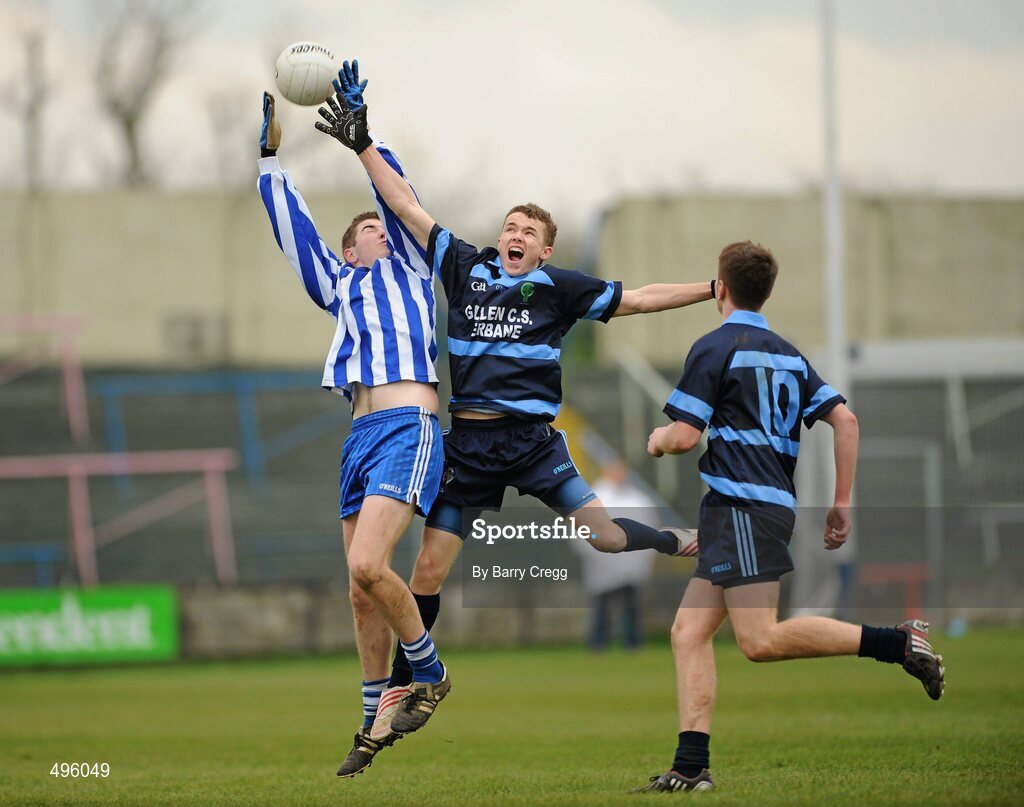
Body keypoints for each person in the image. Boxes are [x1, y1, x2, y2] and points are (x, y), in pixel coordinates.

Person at [316, 60, 707, 736]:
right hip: (466, 444)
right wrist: (361, 143)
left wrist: (708, 289)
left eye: (530, 229)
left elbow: (640, 298)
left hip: (530, 443)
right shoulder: (464, 266)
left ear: (546, 249)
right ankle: (408, 689)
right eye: (511, 224)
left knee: (607, 536)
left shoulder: (561, 289)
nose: (516, 233)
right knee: (426, 572)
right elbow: (406, 207)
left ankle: (681, 540)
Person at [636, 241, 945, 793]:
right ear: (766, 291)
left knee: (760, 640)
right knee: (688, 632)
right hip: (749, 509)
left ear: (721, 288)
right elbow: (845, 421)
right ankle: (689, 769)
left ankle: (900, 644)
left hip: (743, 510)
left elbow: (684, 436)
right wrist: (841, 502)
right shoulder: (787, 353)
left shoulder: (715, 346)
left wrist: (657, 441)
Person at [257, 89, 451, 780]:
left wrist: (365, 142)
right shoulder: (340, 286)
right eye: (366, 229)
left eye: (383, 225)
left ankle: (428, 672)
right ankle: (373, 718)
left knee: (370, 563)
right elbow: (294, 233)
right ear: (349, 249)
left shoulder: (412, 265)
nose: (379, 227)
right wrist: (270, 159)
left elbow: (401, 199)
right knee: (357, 588)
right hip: (359, 437)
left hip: (409, 425)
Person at [571, 461, 659, 651]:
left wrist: (642, 559)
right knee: (602, 606)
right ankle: (598, 643)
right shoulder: (594, 497)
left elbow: (650, 529)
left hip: (631, 566)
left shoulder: (638, 499)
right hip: (602, 564)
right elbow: (581, 530)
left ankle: (632, 643)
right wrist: (596, 554)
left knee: (630, 606)